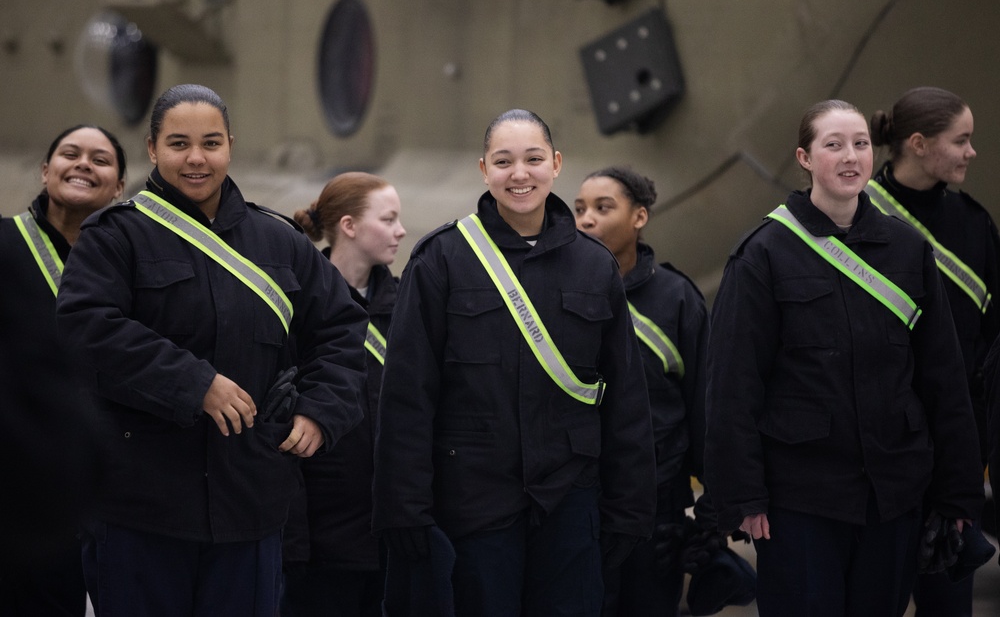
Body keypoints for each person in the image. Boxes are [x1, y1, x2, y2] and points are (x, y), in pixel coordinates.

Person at [55, 84, 368, 616]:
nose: (196, 158)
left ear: (230, 146)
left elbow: (342, 328)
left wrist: (320, 412)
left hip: (251, 505)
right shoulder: (116, 236)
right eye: (178, 144)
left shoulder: (281, 242)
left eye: (211, 143)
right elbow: (85, 327)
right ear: (152, 149)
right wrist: (194, 383)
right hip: (141, 508)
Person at [705, 99, 984, 617]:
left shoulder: (907, 249)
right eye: (833, 145)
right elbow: (732, 387)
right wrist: (742, 497)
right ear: (805, 158)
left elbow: (943, 377)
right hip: (800, 502)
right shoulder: (763, 253)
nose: (851, 156)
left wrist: (959, 492)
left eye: (859, 143)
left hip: (894, 497)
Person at [371, 109, 656, 616]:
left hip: (570, 503)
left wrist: (629, 510)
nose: (519, 174)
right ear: (484, 170)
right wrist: (403, 508)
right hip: (473, 504)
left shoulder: (595, 265)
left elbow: (627, 400)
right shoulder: (442, 259)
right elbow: (407, 395)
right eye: (504, 161)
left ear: (556, 164)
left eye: (533, 159)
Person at [867, 86, 1000, 616]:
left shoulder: (973, 222)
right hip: (883, 451)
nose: (972, 152)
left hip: (956, 450)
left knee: (949, 604)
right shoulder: (857, 222)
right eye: (961, 140)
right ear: (918, 144)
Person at [0, 125, 126, 616]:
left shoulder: (129, 264)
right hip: (18, 472)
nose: (82, 164)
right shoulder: (5, 243)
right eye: (69, 154)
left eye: (100, 159)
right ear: (45, 170)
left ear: (118, 187)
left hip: (99, 475)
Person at [574, 167, 710, 617]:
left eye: (602, 207)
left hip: (659, 503)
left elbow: (703, 405)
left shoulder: (678, 299)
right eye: (579, 210)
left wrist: (717, 501)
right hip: (577, 498)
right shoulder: (555, 293)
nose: (586, 220)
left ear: (639, 217)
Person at [282, 172, 406, 617]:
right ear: (349, 226)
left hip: (392, 531)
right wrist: (293, 541)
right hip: (320, 536)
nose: (401, 230)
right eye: (388, 219)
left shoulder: (409, 305)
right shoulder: (294, 302)